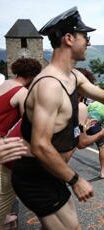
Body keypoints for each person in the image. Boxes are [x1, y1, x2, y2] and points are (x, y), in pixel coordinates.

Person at [11, 7, 104, 230]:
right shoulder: (49, 86)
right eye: (85, 37)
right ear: (69, 39)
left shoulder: (73, 76)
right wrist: (75, 179)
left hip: (51, 173)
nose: (89, 43)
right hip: (34, 177)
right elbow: (40, 145)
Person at [0, 58, 42, 227]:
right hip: (3, 146)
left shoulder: (5, 84)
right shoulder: (22, 93)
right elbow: (27, 126)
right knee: (4, 192)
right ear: (32, 76)